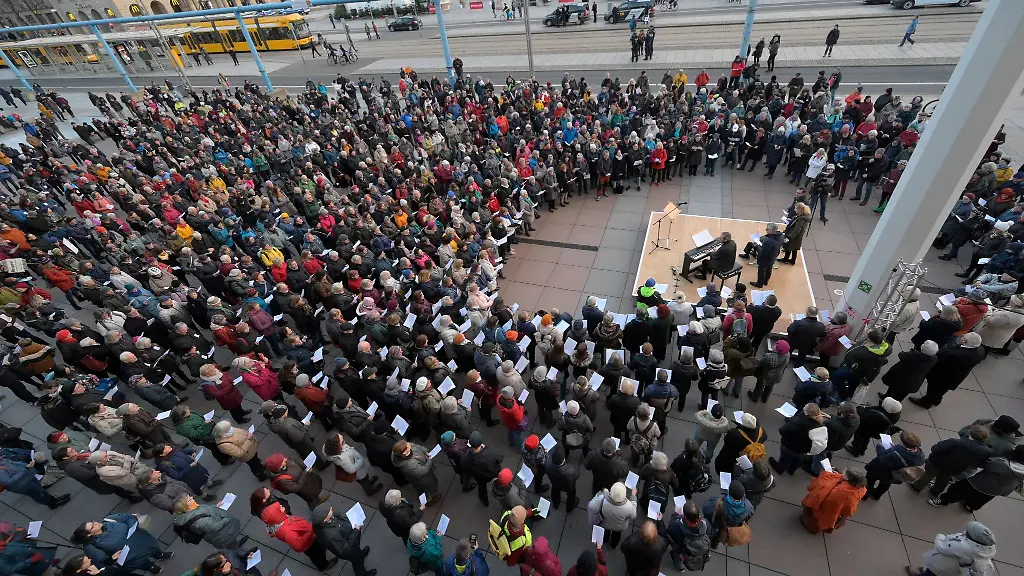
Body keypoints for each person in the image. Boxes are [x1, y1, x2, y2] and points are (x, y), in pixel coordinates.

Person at [910, 425, 992, 499]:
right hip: (955, 468)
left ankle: (917, 487)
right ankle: (934, 492)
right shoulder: (986, 451)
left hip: (938, 462)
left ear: (970, 433)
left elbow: (935, 448)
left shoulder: (955, 442)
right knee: (943, 480)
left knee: (928, 475)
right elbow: (979, 464)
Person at [72, 515, 172, 573]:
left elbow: (128, 517)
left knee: (153, 548)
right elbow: (101, 560)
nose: (96, 523)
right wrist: (112, 558)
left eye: (92, 522)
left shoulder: (108, 520)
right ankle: (150, 567)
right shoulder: (90, 547)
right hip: (133, 556)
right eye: (93, 526)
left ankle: (160, 555)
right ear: (89, 534)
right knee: (142, 562)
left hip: (143, 541)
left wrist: (133, 527)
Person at [260, 501, 338, 571]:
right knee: (317, 555)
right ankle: (324, 566)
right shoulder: (287, 532)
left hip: (311, 539)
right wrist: (310, 532)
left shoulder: (280, 521)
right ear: (277, 516)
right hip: (309, 544)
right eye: (279, 508)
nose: (281, 505)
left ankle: (321, 553)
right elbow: (298, 546)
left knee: (318, 551)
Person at [906, 522, 997, 576]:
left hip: (941, 566)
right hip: (950, 570)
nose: (965, 532)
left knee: (932, 572)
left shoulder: (964, 548)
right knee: (932, 573)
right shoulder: (983, 550)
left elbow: (941, 547)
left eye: (968, 532)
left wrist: (940, 536)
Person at [310, 503, 376, 576]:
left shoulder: (320, 522)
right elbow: (346, 549)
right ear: (325, 520)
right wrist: (356, 530)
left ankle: (359, 554)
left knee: (357, 553)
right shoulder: (330, 535)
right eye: (330, 513)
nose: (332, 511)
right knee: (357, 562)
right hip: (349, 549)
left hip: (349, 539)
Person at [800, 468, 867, 534]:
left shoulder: (840, 492)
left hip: (825, 509)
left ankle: (812, 527)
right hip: (837, 512)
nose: (842, 472)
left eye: (845, 473)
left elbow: (824, 495)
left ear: (848, 479)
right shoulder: (859, 489)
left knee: (816, 519)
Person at [864, 430, 924, 500]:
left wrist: (880, 447)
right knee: (885, 484)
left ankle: (865, 494)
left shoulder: (896, 454)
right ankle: (877, 495)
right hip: (894, 475)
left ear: (903, 443)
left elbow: (881, 459)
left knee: (870, 480)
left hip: (881, 471)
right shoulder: (920, 455)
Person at [771, 402, 828, 476]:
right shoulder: (820, 424)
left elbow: (782, 431)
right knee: (798, 460)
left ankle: (780, 469)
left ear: (806, 413)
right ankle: (791, 470)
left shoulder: (798, 421)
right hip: (803, 449)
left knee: (785, 459)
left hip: (790, 446)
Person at [702, 481, 754, 549]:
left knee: (716, 535)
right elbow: (749, 515)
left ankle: (714, 544)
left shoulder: (718, 504)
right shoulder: (749, 507)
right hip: (732, 527)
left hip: (719, 524)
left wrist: (723, 495)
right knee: (721, 535)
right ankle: (716, 543)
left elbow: (705, 510)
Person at [587, 481, 636, 548]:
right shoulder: (629, 506)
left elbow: (591, 506)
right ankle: (613, 544)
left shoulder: (602, 499)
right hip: (619, 527)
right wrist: (633, 498)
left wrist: (603, 493)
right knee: (616, 536)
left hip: (604, 523)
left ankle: (605, 539)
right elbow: (633, 516)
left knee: (605, 532)